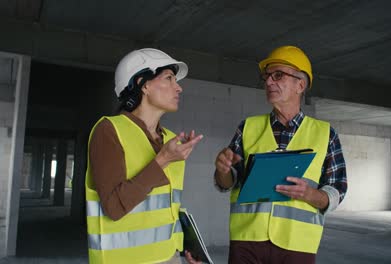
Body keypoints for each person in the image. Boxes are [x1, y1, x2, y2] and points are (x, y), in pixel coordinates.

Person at [214, 45, 347, 264]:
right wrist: (223, 170)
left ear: (300, 85)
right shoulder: (248, 127)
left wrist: (310, 195)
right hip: (247, 241)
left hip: (298, 244)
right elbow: (227, 183)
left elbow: (337, 189)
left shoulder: (325, 134)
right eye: (266, 76)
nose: (268, 82)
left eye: (278, 75)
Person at [85, 48, 203, 264]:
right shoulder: (109, 130)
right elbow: (113, 207)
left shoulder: (170, 140)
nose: (178, 87)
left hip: (169, 257)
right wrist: (163, 160)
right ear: (143, 83)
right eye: (169, 78)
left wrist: (185, 247)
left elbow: (167, 208)